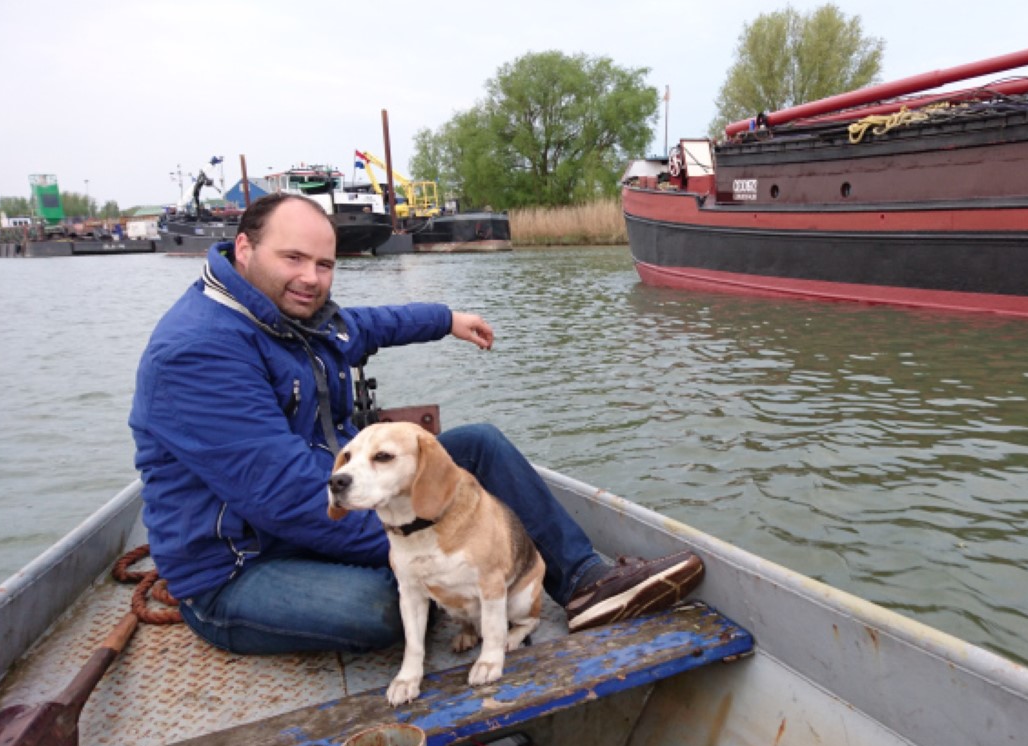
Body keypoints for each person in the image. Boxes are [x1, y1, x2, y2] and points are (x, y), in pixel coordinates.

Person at [129, 192, 703, 654]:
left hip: (323, 506)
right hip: (239, 569)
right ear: (244, 249)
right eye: (293, 259)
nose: (311, 277)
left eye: (324, 264)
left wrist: (447, 318)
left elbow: (369, 325)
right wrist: (428, 537)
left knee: (474, 447)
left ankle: (585, 582)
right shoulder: (198, 351)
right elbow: (284, 496)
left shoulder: (286, 313)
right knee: (387, 605)